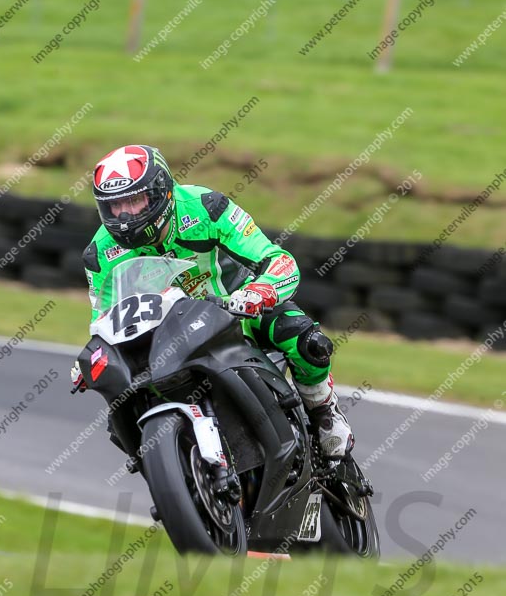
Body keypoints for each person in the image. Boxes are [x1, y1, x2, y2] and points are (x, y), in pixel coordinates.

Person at [72, 144, 354, 458]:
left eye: (135, 202)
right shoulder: (99, 254)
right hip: (165, 337)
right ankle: (176, 472)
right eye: (115, 207)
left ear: (162, 192)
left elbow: (278, 259)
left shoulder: (206, 206)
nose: (125, 217)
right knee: (121, 406)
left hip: (236, 310)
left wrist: (258, 292)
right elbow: (106, 318)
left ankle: (323, 411)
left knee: (306, 340)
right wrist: (96, 354)